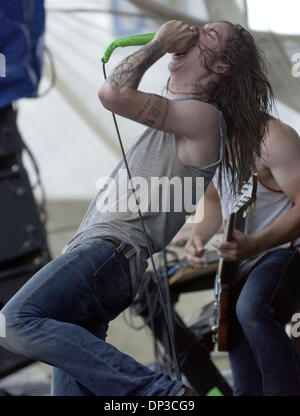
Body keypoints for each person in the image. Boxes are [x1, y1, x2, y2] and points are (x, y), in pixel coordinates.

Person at [0, 20, 273, 396]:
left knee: (13, 321)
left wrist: (159, 44)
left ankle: (167, 394)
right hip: (102, 257)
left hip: (109, 253)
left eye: (208, 35)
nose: (193, 31)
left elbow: (112, 93)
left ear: (223, 67)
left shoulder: (206, 117)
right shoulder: (183, 118)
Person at [176, 118, 300, 396]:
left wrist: (256, 243)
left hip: (285, 252)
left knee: (251, 307)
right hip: (240, 267)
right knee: (234, 334)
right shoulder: (207, 147)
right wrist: (198, 237)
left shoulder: (272, 138)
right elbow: (213, 201)